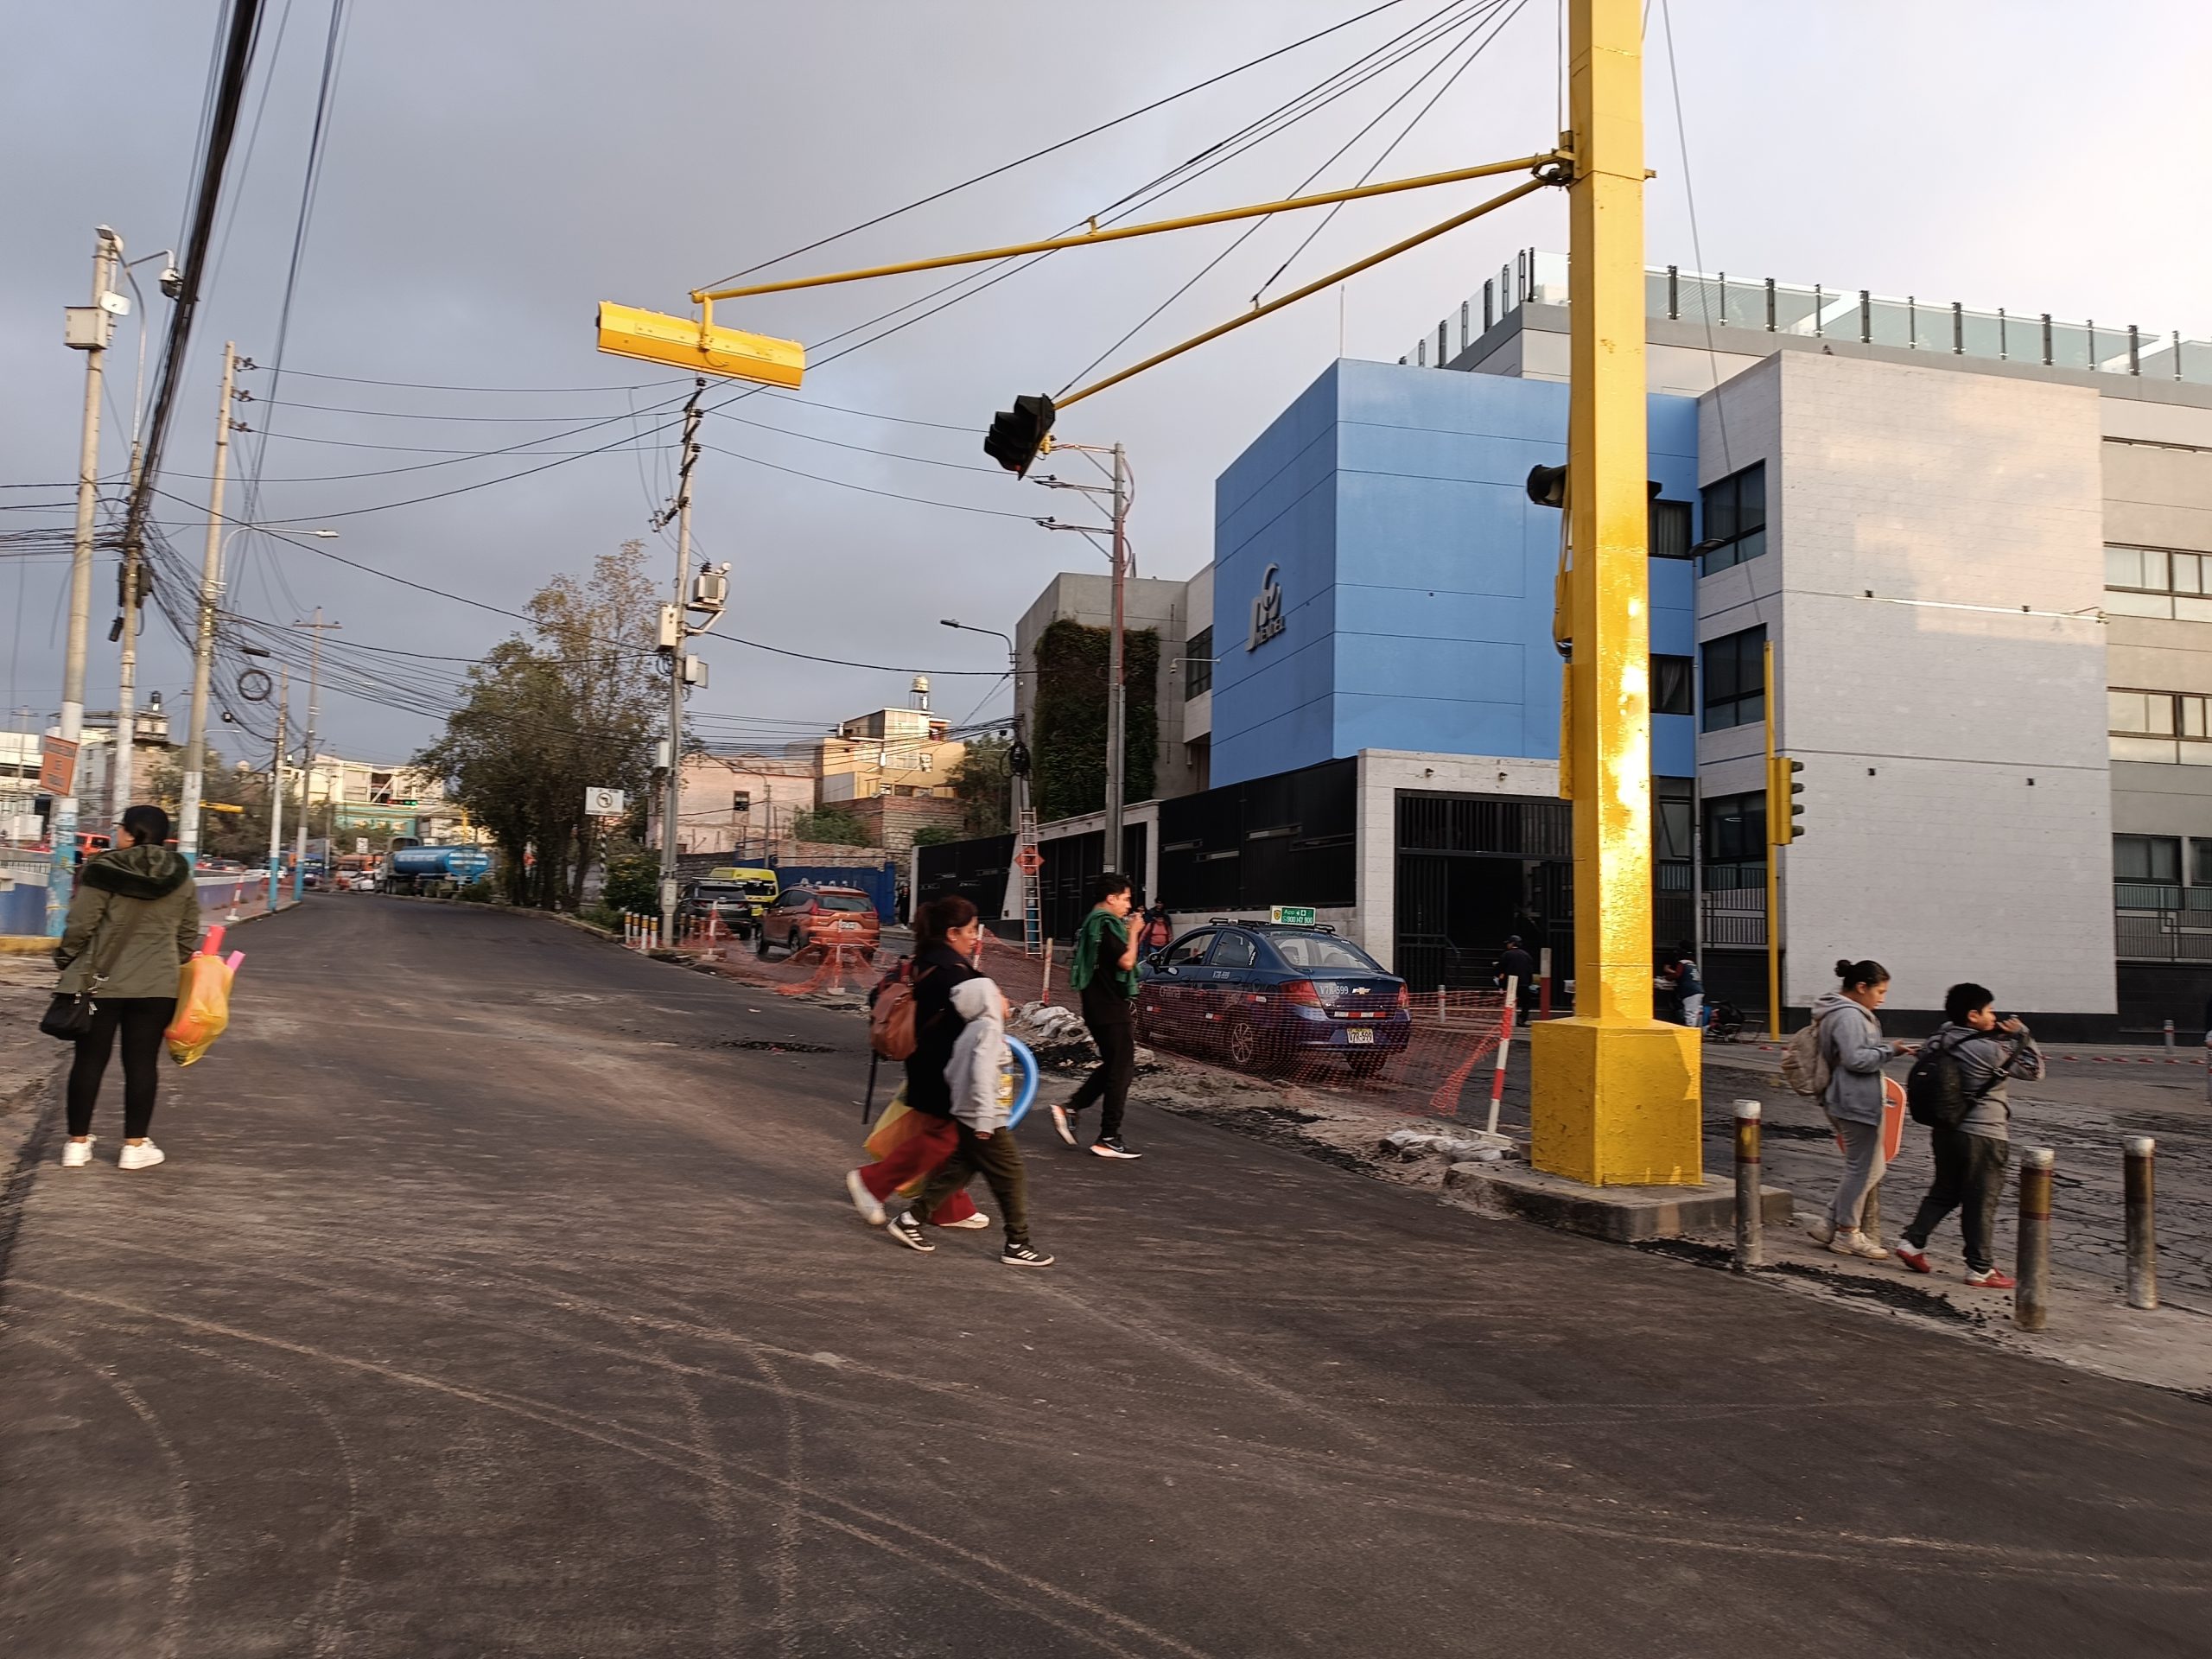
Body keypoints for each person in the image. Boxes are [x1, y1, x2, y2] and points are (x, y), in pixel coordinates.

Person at [845, 896, 1051, 1266]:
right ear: (952, 932)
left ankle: (946, 1207)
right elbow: (985, 1012)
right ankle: (874, 1182)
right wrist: (997, 1002)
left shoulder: (929, 959)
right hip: (948, 1070)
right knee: (951, 1138)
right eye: (972, 931)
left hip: (931, 1064)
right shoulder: (953, 971)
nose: (976, 938)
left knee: (956, 1142)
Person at [54, 805, 200, 1171]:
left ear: (133, 833)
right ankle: (134, 1148)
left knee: (89, 1061)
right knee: (141, 1064)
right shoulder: (181, 876)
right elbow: (187, 934)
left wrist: (66, 956)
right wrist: (168, 959)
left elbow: (80, 923)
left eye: (120, 827)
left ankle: (77, 1144)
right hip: (156, 986)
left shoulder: (104, 869)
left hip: (99, 983)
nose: (116, 833)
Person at [1897, 984, 2042, 1287]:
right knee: (1981, 1201)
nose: (1994, 1016)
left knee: (1945, 1191)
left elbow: (1938, 1042)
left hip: (1945, 1129)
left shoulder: (1939, 1039)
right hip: (1984, 1134)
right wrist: (2022, 1033)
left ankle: (1912, 1243)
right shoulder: (1989, 1049)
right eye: (1989, 1011)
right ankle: (1980, 1268)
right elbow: (2033, 1070)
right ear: (1973, 1015)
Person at [1808, 957, 1916, 1258]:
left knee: (1869, 1165)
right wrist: (1889, 1050)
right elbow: (1856, 1059)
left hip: (1846, 1096)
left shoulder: (1840, 1011)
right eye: (1879, 991)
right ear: (1860, 987)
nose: (1882, 998)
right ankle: (1847, 1233)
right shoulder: (1849, 1016)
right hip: (1853, 1098)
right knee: (1864, 1167)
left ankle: (1829, 1222)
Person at [1054, 872, 1142, 1160]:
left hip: (1096, 1005)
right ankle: (1108, 1136)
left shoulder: (1089, 925)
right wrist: (1134, 932)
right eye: (1126, 899)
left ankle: (1073, 1106)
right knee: (1122, 1069)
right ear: (1111, 897)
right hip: (1109, 1007)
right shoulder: (1104, 925)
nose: (1128, 906)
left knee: (1115, 1065)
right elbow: (1127, 962)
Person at [1661, 945, 1704, 1028]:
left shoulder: (1682, 963)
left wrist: (1666, 978)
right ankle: (1695, 1029)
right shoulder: (1692, 964)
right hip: (1699, 990)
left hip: (1690, 991)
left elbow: (1677, 974)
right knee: (1695, 1012)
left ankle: (1690, 1030)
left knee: (1690, 1012)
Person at [1495, 935, 1536, 1014]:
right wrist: (1529, 982)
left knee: (1510, 1003)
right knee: (1526, 1003)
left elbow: (1501, 969)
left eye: (1509, 943)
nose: (1507, 945)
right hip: (1524, 983)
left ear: (1513, 943)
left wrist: (1501, 984)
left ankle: (1509, 1020)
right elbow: (1530, 970)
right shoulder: (1526, 955)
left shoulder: (1506, 954)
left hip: (1511, 983)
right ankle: (1522, 1019)